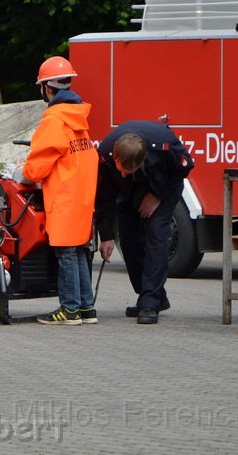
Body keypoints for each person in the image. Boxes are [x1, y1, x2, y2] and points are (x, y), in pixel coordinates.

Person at [14, 57, 100, 326]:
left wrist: (18, 173)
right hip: (82, 197)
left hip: (63, 198)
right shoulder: (78, 119)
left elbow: (37, 167)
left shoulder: (54, 120)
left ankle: (69, 310)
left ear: (46, 88)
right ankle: (86, 308)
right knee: (79, 251)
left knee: (66, 253)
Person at [93, 120, 194, 324]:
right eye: (120, 169)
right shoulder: (105, 153)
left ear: (142, 161)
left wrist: (157, 195)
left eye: (127, 171)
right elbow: (104, 198)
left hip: (163, 187)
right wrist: (106, 236)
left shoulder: (164, 145)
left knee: (156, 236)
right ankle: (155, 295)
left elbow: (185, 167)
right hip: (130, 191)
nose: (121, 173)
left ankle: (149, 303)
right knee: (128, 240)